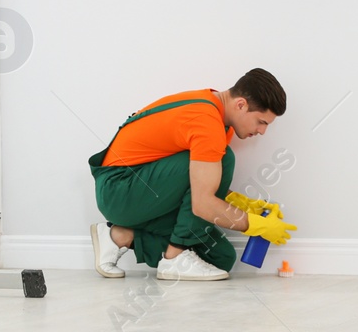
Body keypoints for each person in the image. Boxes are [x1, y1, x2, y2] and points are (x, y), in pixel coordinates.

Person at [88, 68, 295, 281]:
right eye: (262, 122)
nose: (262, 131)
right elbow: (202, 204)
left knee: (219, 257)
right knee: (225, 159)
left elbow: (202, 179)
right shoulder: (207, 121)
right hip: (120, 189)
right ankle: (174, 258)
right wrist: (255, 225)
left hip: (146, 191)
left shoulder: (221, 120)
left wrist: (243, 204)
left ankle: (118, 237)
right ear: (241, 104)